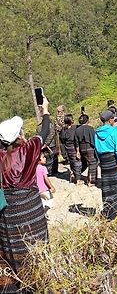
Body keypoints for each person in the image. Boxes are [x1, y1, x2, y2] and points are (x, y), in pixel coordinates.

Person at [0, 96, 51, 293]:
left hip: (7, 216)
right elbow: (44, 131)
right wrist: (45, 110)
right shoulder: (28, 150)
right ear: (18, 135)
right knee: (35, 250)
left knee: (9, 252)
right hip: (31, 211)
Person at [94, 110, 117, 220]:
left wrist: (100, 162)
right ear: (110, 120)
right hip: (114, 162)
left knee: (107, 187)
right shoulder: (114, 132)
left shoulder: (96, 133)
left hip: (104, 163)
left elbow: (96, 149)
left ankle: (109, 211)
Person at [74, 113, 98, 187]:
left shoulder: (77, 130)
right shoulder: (90, 128)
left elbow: (76, 142)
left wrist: (78, 151)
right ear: (87, 121)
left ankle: (76, 176)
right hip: (89, 147)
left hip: (81, 148)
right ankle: (90, 181)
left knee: (84, 163)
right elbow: (94, 139)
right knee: (93, 163)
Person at [59, 114, 82, 185]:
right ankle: (78, 179)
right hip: (74, 148)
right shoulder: (75, 128)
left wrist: (63, 152)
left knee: (72, 163)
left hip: (67, 149)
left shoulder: (63, 130)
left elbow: (62, 141)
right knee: (77, 163)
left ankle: (72, 175)